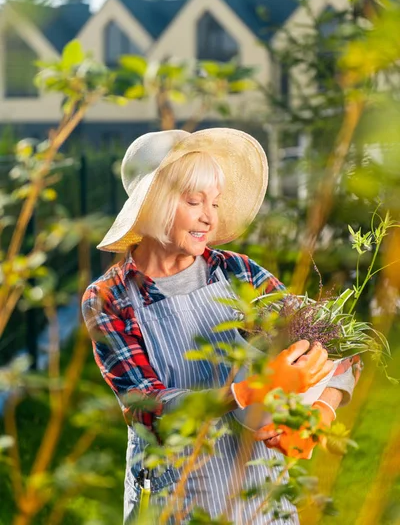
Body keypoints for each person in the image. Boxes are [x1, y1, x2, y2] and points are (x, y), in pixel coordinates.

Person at [82, 128, 356, 524]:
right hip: (175, 498)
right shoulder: (111, 297)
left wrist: (320, 412)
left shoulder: (237, 272)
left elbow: (343, 346)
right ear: (153, 205)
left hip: (260, 495)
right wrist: (248, 390)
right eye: (194, 201)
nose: (210, 216)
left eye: (215, 202)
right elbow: (148, 408)